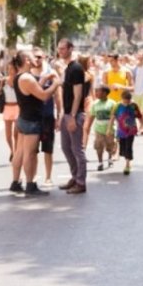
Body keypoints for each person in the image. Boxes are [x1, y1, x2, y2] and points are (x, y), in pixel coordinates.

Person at [8, 49, 59, 197]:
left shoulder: (21, 77)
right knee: (29, 154)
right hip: (31, 120)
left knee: (19, 152)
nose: (35, 59)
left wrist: (43, 80)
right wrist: (56, 83)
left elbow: (33, 91)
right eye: (32, 57)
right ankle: (30, 185)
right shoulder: (27, 78)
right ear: (26, 61)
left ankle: (15, 182)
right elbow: (43, 96)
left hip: (24, 118)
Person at [55, 40, 88, 194]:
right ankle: (75, 177)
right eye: (59, 48)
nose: (60, 51)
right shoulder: (67, 68)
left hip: (75, 114)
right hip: (67, 113)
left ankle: (81, 182)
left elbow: (78, 94)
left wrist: (73, 116)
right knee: (66, 147)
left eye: (63, 48)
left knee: (77, 149)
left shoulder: (76, 68)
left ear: (70, 49)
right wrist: (62, 114)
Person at [32, 48, 58, 186]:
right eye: (34, 57)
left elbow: (57, 94)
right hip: (33, 117)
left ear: (44, 57)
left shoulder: (50, 73)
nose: (36, 60)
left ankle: (48, 177)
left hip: (48, 116)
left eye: (39, 57)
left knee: (48, 148)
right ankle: (34, 175)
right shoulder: (28, 75)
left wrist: (59, 114)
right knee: (33, 149)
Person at [83, 86, 118, 171]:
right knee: (99, 146)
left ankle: (110, 158)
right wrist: (87, 126)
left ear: (105, 93)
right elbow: (92, 116)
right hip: (98, 129)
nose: (96, 93)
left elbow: (116, 117)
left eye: (98, 91)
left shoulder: (112, 103)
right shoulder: (95, 104)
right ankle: (100, 162)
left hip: (110, 129)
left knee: (110, 146)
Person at [114, 91, 143, 175]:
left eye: (128, 101)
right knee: (123, 148)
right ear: (122, 99)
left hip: (131, 130)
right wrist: (111, 127)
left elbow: (140, 117)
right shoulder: (118, 106)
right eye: (125, 101)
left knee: (129, 147)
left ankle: (127, 165)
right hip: (121, 131)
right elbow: (113, 116)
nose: (126, 103)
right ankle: (122, 156)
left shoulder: (133, 106)